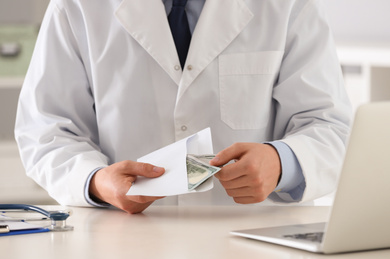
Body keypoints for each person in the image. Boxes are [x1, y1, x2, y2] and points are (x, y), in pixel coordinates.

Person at [15, 0, 352, 214]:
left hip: (256, 236)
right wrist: (96, 181)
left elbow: (331, 126)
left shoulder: (290, 5)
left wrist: (282, 163)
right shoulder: (77, 6)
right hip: (122, 239)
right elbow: (46, 131)